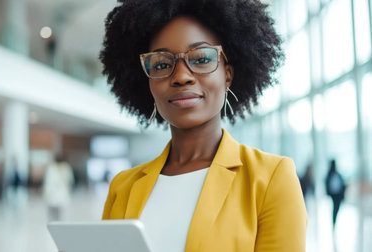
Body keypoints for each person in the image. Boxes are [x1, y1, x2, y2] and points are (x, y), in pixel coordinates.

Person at [99, 0, 307, 251]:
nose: (182, 76)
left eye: (200, 59)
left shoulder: (271, 179)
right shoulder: (123, 186)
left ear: (227, 75)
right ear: (147, 82)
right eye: (162, 64)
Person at [43, 154, 74, 221]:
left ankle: (54, 226)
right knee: (61, 215)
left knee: (53, 216)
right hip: (62, 195)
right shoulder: (66, 168)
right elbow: (70, 182)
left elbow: (48, 183)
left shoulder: (51, 168)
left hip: (53, 195)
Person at [325, 159, 346, 228]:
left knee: (336, 208)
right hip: (333, 195)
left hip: (338, 195)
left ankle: (334, 221)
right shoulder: (329, 175)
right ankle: (334, 221)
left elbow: (343, 185)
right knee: (335, 208)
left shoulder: (338, 175)